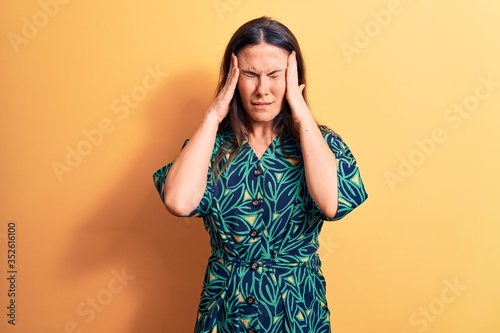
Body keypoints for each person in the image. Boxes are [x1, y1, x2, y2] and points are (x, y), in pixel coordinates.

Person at [153, 16, 368, 333]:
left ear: (292, 77)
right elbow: (179, 202)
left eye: (275, 75)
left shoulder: (321, 145)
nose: (262, 89)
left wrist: (300, 109)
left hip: (295, 309)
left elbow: (330, 204)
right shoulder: (210, 148)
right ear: (233, 78)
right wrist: (213, 115)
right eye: (250, 75)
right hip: (226, 308)